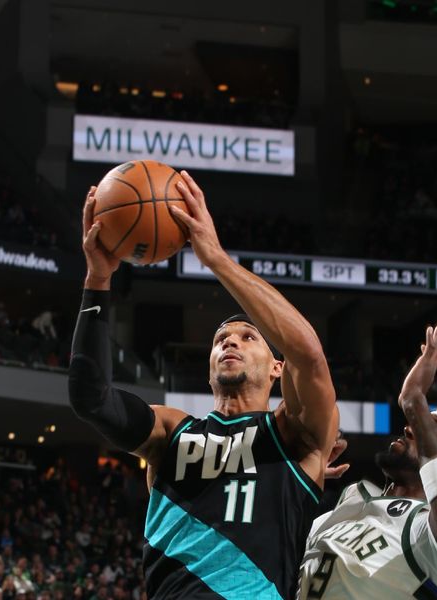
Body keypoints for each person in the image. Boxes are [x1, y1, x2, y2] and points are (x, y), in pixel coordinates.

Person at [69, 170, 339, 599]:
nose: (231, 339)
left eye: (249, 337)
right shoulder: (171, 432)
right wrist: (98, 280)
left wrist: (214, 258)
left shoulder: (294, 435)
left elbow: (308, 353)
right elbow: (92, 400)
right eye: (220, 340)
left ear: (276, 369)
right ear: (209, 366)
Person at [297, 325, 437, 599]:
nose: (411, 428)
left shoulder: (433, 539)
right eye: (417, 423)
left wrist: (414, 400)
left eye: (432, 430)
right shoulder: (345, 505)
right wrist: (295, 482)